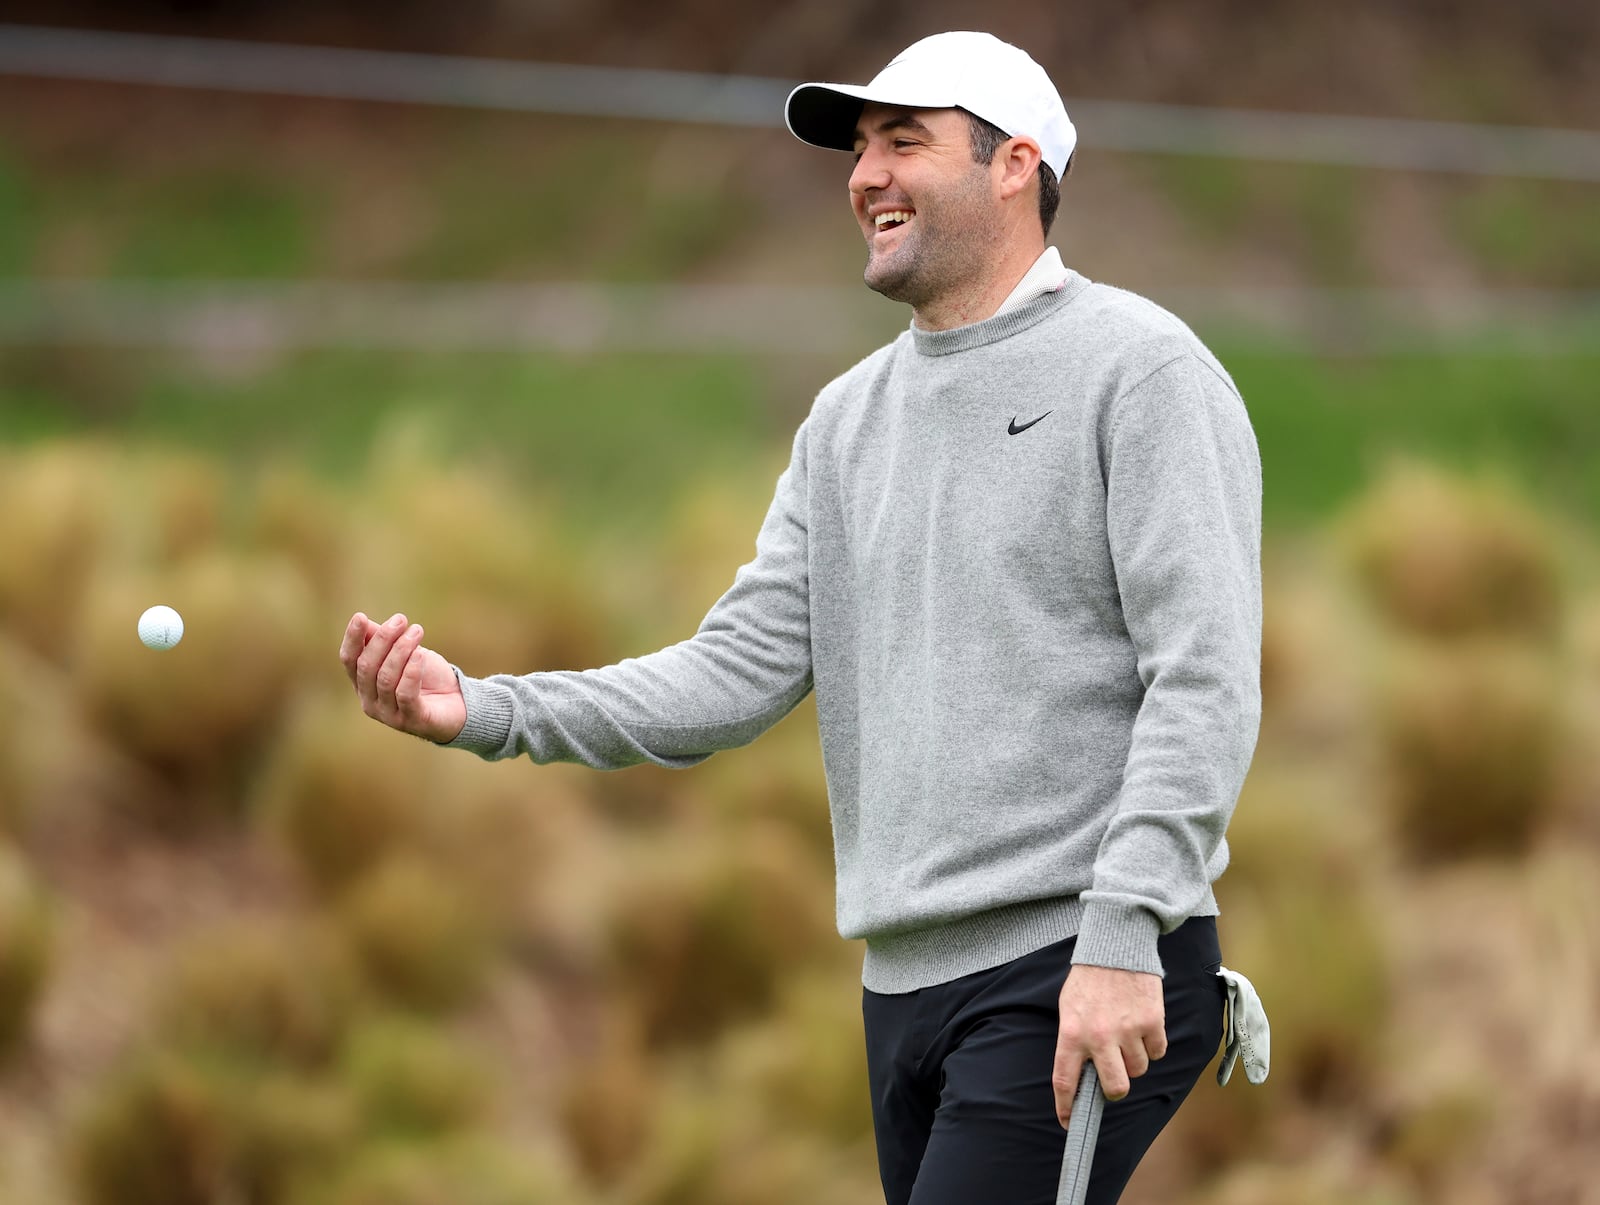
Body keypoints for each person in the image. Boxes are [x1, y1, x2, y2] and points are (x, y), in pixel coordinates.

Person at [339, 30, 1262, 1205]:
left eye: (903, 141)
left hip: (1080, 960)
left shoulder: (1141, 372)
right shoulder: (845, 420)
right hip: (901, 987)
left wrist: (1125, 930)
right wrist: (484, 707)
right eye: (860, 148)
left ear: (1014, 164)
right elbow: (732, 671)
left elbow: (1204, 677)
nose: (864, 175)